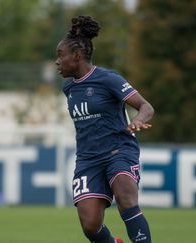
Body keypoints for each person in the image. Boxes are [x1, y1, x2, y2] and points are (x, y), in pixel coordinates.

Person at [56, 16, 154, 243]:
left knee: (126, 199)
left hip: (119, 152)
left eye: (60, 56)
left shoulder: (108, 79)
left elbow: (146, 106)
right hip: (88, 160)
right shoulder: (68, 87)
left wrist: (138, 119)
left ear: (77, 56)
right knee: (90, 226)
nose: (56, 62)